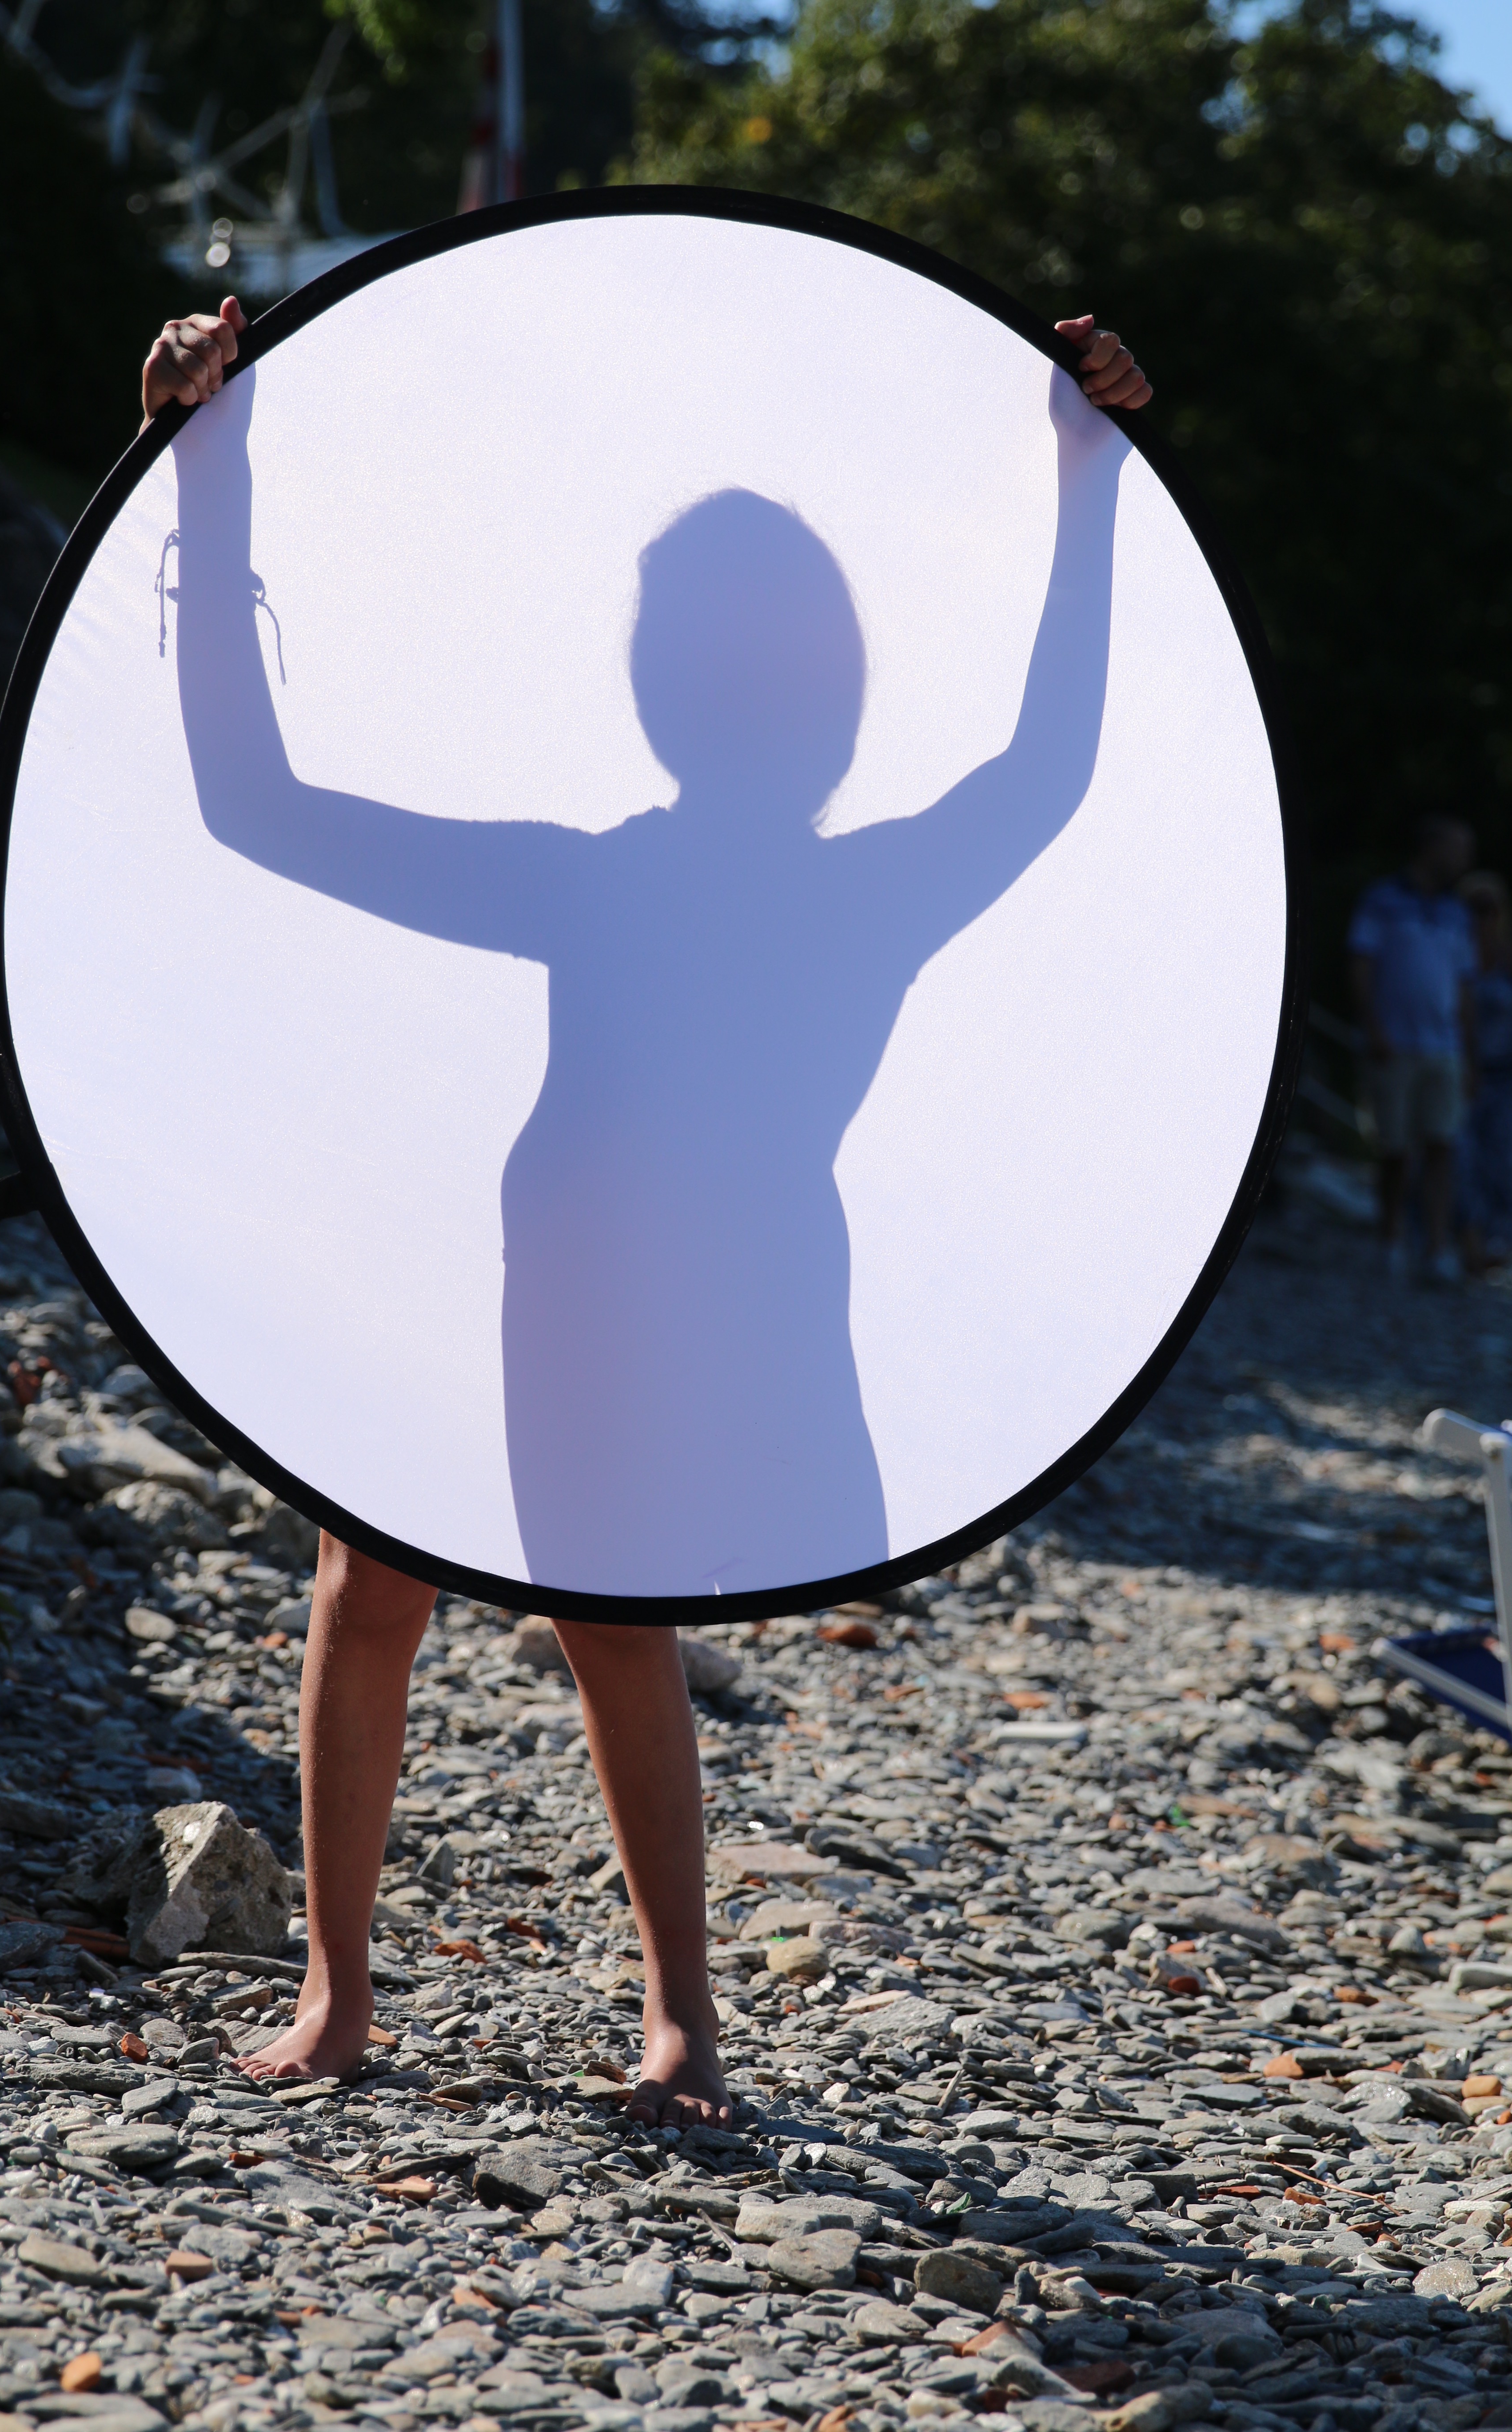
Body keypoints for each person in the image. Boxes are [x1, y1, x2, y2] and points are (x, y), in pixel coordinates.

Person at [137, 291, 1153, 2118]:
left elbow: (252, 803)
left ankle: (629, 2012)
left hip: (685, 1310)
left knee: (558, 1615)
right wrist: (203, 480)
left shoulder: (746, 886)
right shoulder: (781, 883)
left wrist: (1092, 485)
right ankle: (377, 1992)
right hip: (569, 1288)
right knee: (398, 1586)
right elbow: (251, 810)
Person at [1348, 813, 1477, 1283]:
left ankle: (1437, 1247)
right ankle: (1390, 1239)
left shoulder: (1457, 913)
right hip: (1394, 1043)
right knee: (1395, 1148)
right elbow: (1361, 963)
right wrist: (1373, 1027)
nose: (1464, 860)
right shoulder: (1382, 900)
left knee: (1443, 1145)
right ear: (1433, 848)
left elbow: (1464, 985)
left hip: (1444, 1047)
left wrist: (1468, 1052)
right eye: (1458, 849)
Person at [1457, 871, 1512, 1275]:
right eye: (1475, 908)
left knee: (1502, 1162)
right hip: (1462, 1072)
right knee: (1464, 1161)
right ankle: (1468, 1243)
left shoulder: (1507, 962)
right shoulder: (1455, 957)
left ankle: (1499, 1243)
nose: (1482, 918)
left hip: (1504, 1076)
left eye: (1489, 909)